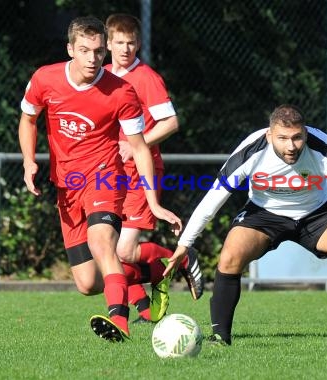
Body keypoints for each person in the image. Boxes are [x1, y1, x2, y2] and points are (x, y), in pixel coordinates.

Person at [164, 104, 327, 346]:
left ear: (304, 133)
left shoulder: (322, 148)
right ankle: (220, 338)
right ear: (269, 136)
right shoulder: (252, 150)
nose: (291, 146)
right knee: (230, 255)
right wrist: (185, 244)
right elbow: (214, 198)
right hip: (263, 214)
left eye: (297, 137)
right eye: (282, 138)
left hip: (315, 213)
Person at [18, 16, 182, 343]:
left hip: (105, 178)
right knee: (87, 283)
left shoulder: (121, 91)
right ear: (70, 50)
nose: (92, 59)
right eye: (84, 50)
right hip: (67, 187)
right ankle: (156, 269)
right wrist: (28, 161)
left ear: (104, 50)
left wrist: (153, 202)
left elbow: (140, 148)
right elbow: (28, 119)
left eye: (97, 51)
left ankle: (119, 322)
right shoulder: (44, 79)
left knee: (102, 242)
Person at [104, 14, 204, 323]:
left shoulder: (145, 77)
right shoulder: (103, 75)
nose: (125, 48)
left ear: (138, 43)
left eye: (131, 42)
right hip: (110, 175)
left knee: (123, 253)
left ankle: (181, 257)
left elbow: (171, 122)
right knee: (106, 252)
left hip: (140, 173)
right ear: (107, 44)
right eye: (119, 42)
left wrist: (137, 144)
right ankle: (148, 314)